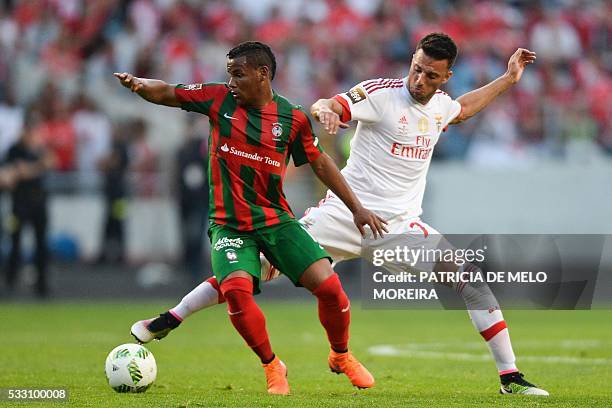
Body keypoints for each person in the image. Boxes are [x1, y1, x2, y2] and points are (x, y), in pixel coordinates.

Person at [130, 33, 550, 397]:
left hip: (400, 228)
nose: (420, 80)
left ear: (446, 77)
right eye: (417, 69)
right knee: (250, 269)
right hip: (342, 217)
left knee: (472, 283)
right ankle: (171, 317)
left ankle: (509, 376)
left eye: (431, 75)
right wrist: (327, 110)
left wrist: (509, 79)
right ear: (411, 61)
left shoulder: (440, 106)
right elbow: (330, 104)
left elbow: (462, 109)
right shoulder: (381, 94)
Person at [114, 41, 387, 395]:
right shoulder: (218, 100)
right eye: (229, 73)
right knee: (238, 292)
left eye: (237, 74)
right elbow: (169, 92)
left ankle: (341, 355)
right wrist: (138, 84)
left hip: (276, 221)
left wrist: (358, 209)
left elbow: (320, 163)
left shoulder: (292, 117)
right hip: (229, 225)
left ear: (262, 74)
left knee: (331, 289)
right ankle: (272, 366)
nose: (230, 82)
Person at [4, 125, 56, 298]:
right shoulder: (14, 150)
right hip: (19, 204)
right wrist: (40, 165)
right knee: (15, 243)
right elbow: (19, 172)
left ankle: (42, 284)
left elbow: (52, 161)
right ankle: (10, 282)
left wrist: (32, 167)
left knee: (41, 244)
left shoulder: (39, 149)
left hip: (39, 203)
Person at [175, 120, 209, 282]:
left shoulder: (202, 150)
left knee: (196, 233)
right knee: (186, 232)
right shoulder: (181, 151)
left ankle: (195, 265)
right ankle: (188, 264)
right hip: (186, 200)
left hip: (200, 200)